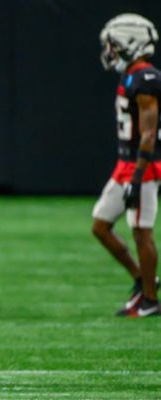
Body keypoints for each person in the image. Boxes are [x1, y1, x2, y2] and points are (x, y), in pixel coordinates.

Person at [93, 13, 161, 317]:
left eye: (115, 45)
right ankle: (142, 279)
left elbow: (149, 133)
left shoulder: (146, 78)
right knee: (101, 225)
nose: (111, 52)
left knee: (140, 232)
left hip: (142, 168)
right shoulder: (132, 75)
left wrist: (137, 177)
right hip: (126, 165)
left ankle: (150, 300)